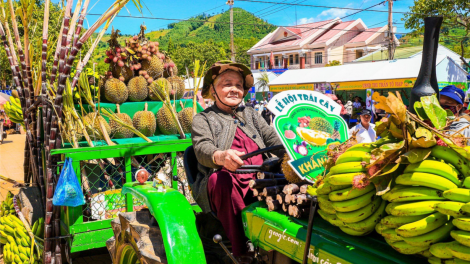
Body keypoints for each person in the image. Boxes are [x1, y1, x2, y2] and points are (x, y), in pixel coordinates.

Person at [191, 61, 284, 263]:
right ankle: (242, 251)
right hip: (227, 180)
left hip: (262, 175)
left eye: (239, 85)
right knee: (220, 179)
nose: (234, 89)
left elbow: (275, 141)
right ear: (213, 90)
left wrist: (293, 146)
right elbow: (202, 148)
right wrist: (221, 156)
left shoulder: (251, 114)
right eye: (227, 84)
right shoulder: (203, 118)